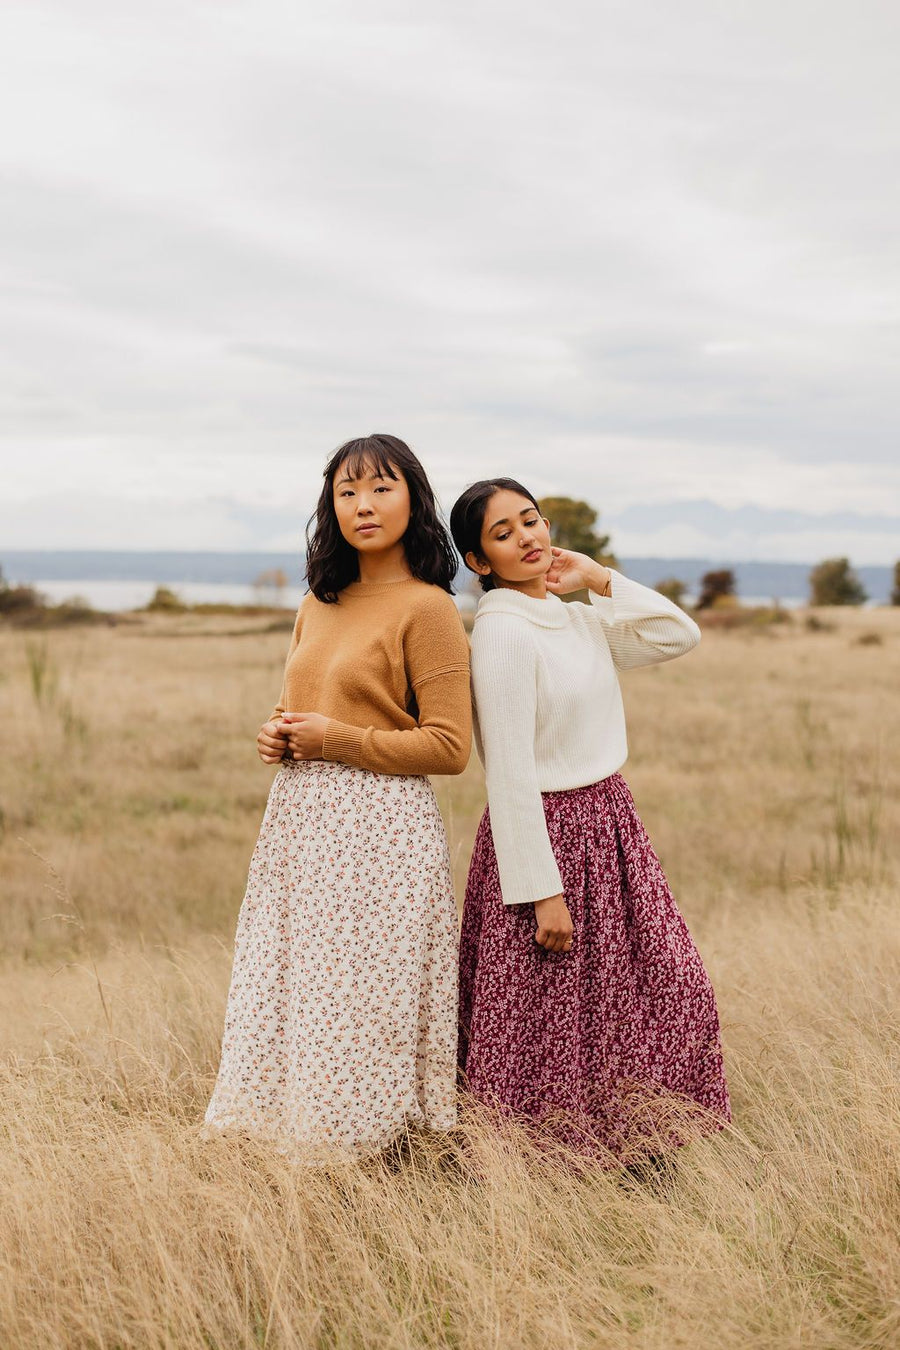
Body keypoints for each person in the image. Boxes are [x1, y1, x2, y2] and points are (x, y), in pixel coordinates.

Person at [449, 478, 730, 1160]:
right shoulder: (504, 635)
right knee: (548, 1012)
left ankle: (638, 1138)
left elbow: (677, 634)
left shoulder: (575, 620)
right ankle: (536, 1158)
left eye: (532, 520)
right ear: (480, 562)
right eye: (504, 533)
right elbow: (509, 771)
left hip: (611, 822)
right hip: (547, 835)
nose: (529, 538)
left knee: (656, 986)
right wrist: (543, 891)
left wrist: (600, 579)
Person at [206, 435, 471, 1155]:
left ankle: (368, 1151)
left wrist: (336, 740)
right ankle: (284, 1143)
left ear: (412, 497)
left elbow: (450, 747)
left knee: (358, 1000)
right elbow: (303, 703)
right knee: (289, 986)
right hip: (300, 821)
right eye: (348, 491)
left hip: (381, 830)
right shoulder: (316, 603)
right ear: (331, 505)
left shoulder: (430, 609)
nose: (363, 505)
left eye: (381, 487)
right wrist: (278, 734)